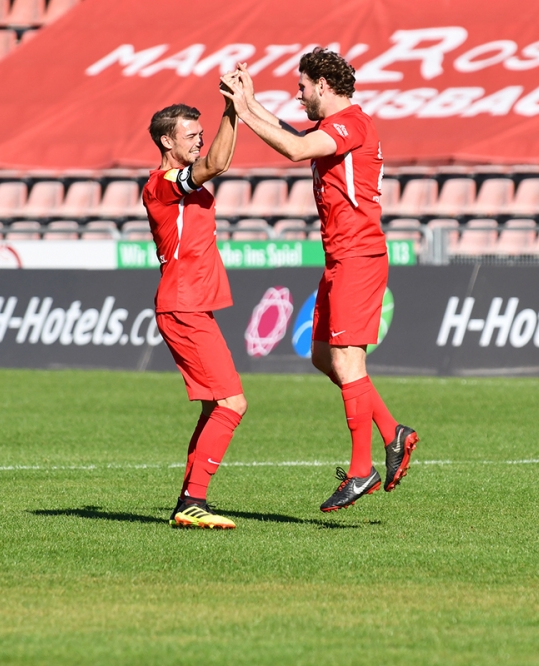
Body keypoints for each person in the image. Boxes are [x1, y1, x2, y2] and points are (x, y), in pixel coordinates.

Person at [220, 49, 418, 512]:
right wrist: (250, 102)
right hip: (339, 260)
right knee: (323, 357)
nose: (299, 94)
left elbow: (293, 148)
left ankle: (360, 470)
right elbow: (295, 136)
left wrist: (246, 111)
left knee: (349, 364)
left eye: (303, 86)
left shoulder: (352, 124)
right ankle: (394, 433)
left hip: (359, 258)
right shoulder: (335, 128)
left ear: (324, 86)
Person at [143, 86, 247, 530]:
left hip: (194, 305)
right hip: (182, 305)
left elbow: (214, 161)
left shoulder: (183, 182)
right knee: (231, 404)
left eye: (201, 133)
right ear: (167, 141)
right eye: (190, 134)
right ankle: (192, 501)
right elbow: (217, 164)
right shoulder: (162, 184)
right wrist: (231, 109)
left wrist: (232, 115)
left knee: (213, 408)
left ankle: (190, 500)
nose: (198, 140)